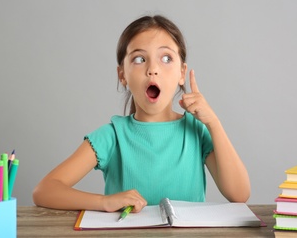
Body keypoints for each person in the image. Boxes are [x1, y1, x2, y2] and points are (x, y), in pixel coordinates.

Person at [32, 15, 250, 214]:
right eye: (139, 59)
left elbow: (239, 195)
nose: (152, 69)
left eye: (166, 58)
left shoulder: (196, 131)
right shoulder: (112, 136)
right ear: (122, 75)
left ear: (182, 73)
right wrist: (103, 202)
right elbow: (44, 190)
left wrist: (213, 122)